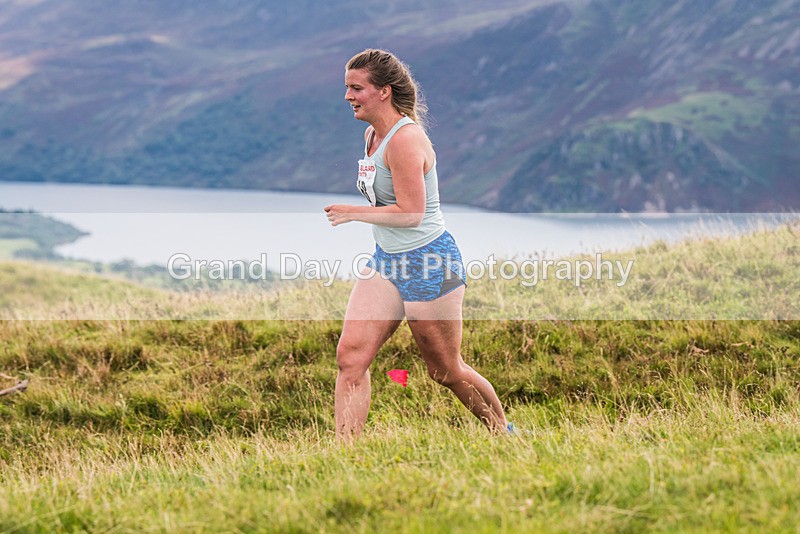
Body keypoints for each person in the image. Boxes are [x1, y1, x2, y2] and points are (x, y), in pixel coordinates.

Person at [324, 49, 509, 441]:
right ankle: (343, 454)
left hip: (429, 263)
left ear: (384, 92)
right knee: (351, 357)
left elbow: (411, 213)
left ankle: (505, 435)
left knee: (446, 370)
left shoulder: (406, 140)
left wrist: (355, 213)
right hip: (386, 262)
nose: (347, 96)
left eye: (356, 88)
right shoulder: (371, 134)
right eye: (347, 88)